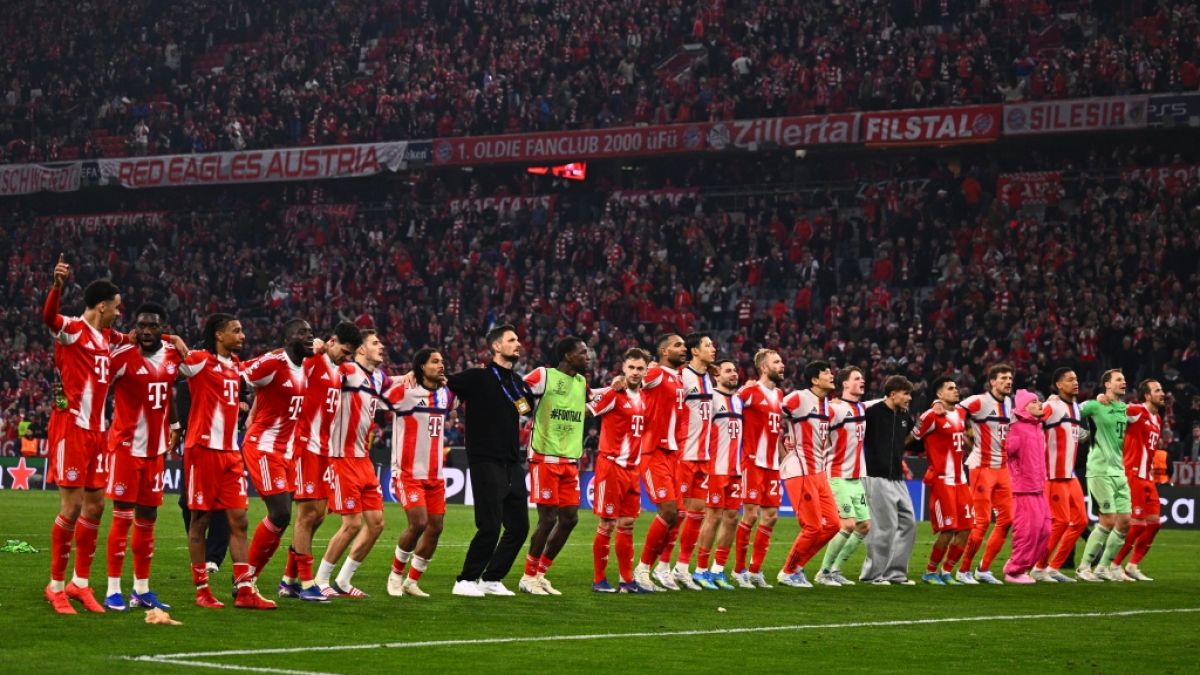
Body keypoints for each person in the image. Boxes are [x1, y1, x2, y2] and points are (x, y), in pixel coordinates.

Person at [42, 254, 128, 614]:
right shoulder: (73, 329)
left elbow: (136, 338)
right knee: (72, 506)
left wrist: (171, 338)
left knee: (95, 505)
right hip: (71, 428)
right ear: (102, 306)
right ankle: (55, 586)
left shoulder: (108, 337)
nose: (119, 313)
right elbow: (49, 318)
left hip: (97, 432)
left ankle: (79, 582)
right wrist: (57, 287)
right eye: (117, 307)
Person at [179, 313, 276, 609]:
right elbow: (167, 353)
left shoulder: (236, 366)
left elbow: (263, 364)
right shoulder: (199, 361)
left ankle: (245, 590)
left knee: (239, 519)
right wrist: (172, 339)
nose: (242, 335)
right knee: (200, 520)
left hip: (230, 453)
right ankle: (202, 590)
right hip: (203, 451)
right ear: (219, 335)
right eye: (236, 330)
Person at [102, 303, 183, 612]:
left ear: (163, 329)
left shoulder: (173, 354)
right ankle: (113, 590)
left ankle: (141, 589)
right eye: (142, 326)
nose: (147, 331)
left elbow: (169, 391)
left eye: (153, 326)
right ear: (135, 329)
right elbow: (99, 384)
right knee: (122, 518)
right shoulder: (122, 357)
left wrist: (175, 424)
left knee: (148, 519)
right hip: (126, 449)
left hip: (155, 451)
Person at [279, 322, 362, 601]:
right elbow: (289, 357)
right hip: (305, 446)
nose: (346, 357)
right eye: (344, 351)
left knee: (319, 515)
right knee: (306, 515)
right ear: (332, 340)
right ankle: (306, 583)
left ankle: (289, 579)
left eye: (350, 354)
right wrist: (313, 347)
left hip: (324, 451)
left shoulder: (338, 370)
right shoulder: (312, 360)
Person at [446, 324, 532, 598]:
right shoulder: (477, 377)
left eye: (517, 339)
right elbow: (445, 383)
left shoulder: (516, 382)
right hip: (485, 459)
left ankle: (492, 578)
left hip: (512, 462)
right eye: (512, 340)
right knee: (490, 525)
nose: (518, 344)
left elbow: (526, 408)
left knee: (519, 527)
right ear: (496, 346)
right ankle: (465, 579)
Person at [241, 319, 315, 587]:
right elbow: (238, 374)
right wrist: (240, 403)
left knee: (286, 518)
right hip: (263, 447)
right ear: (287, 340)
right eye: (302, 333)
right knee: (281, 513)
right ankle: (245, 578)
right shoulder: (273, 362)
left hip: (286, 451)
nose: (309, 337)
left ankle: (251, 579)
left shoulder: (305, 367)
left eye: (311, 333)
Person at [316, 329, 389, 597]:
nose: (381, 346)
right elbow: (323, 370)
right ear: (360, 349)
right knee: (352, 524)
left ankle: (344, 581)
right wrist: (320, 349)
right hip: (341, 457)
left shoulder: (377, 378)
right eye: (375, 342)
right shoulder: (346, 370)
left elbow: (397, 382)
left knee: (377, 523)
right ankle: (320, 580)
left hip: (363, 460)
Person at [518, 337, 592, 596]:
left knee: (570, 519)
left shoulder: (581, 383)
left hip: (570, 461)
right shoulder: (544, 375)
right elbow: (516, 393)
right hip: (545, 458)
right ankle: (528, 577)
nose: (588, 357)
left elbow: (590, 405)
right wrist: (525, 411)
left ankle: (540, 573)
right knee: (547, 518)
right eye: (583, 352)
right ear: (568, 355)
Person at [384, 348, 457, 598]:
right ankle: (395, 576)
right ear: (421, 366)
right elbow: (377, 386)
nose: (441, 365)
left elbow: (461, 393)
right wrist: (402, 376)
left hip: (435, 475)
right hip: (408, 473)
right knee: (418, 523)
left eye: (442, 361)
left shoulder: (446, 394)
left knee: (436, 527)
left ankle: (412, 581)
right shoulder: (406, 392)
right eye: (435, 361)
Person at [589, 348, 650, 593]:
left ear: (646, 371)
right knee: (607, 523)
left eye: (640, 368)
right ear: (623, 368)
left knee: (627, 523)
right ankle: (599, 580)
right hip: (611, 466)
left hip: (633, 469)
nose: (635, 372)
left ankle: (627, 581)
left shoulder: (645, 396)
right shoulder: (613, 393)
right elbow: (588, 407)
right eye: (631, 367)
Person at [632, 334, 688, 592]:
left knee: (677, 514)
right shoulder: (656, 373)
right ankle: (642, 569)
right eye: (678, 345)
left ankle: (654, 568)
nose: (683, 348)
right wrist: (625, 381)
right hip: (653, 451)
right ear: (664, 351)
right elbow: (635, 380)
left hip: (672, 453)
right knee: (668, 511)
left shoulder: (678, 377)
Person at [777, 360, 840, 588]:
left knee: (833, 525)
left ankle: (798, 567)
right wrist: (781, 446)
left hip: (819, 472)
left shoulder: (827, 406)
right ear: (814, 379)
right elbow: (771, 415)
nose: (831, 375)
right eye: (826, 372)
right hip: (800, 470)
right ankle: (787, 572)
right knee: (812, 527)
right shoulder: (798, 398)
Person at [956, 364, 1015, 585]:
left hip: (1003, 469)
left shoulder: (1010, 403)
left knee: (1007, 520)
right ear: (992, 382)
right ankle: (963, 571)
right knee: (981, 522)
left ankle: (983, 569)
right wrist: (963, 436)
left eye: (1010, 378)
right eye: (1003, 378)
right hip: (982, 468)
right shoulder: (979, 401)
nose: (1008, 381)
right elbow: (954, 411)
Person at [732, 349, 786, 589]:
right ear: (764, 367)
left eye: (781, 361)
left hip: (772, 465)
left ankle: (755, 571)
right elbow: (729, 404)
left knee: (771, 516)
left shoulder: (780, 394)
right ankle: (738, 570)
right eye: (776, 362)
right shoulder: (749, 392)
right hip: (752, 462)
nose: (782, 365)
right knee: (751, 515)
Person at [912, 376, 972, 585]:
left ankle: (946, 571)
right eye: (950, 388)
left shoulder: (961, 413)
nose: (956, 390)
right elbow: (913, 437)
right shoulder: (931, 415)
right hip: (942, 481)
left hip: (961, 481)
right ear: (939, 394)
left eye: (956, 387)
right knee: (948, 530)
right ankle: (930, 572)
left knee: (966, 528)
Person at [670, 332, 717, 591]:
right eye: (708, 345)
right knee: (677, 514)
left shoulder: (708, 377)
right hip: (684, 455)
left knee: (698, 514)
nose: (713, 348)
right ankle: (661, 566)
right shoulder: (682, 376)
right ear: (695, 351)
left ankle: (682, 567)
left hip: (703, 457)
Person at [860, 376, 917, 585]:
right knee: (884, 528)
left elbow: (912, 442)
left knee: (908, 523)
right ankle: (872, 575)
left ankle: (896, 573)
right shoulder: (872, 412)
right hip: (876, 476)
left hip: (897, 478)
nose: (909, 398)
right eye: (906, 393)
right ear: (893, 394)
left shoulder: (903, 415)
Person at [1077, 369, 1133, 582]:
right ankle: (1084, 567)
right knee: (1108, 519)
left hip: (1119, 471)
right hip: (1099, 470)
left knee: (1125, 521)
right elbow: (1070, 412)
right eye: (1119, 379)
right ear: (1107, 384)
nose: (1123, 382)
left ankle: (1102, 568)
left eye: (1124, 379)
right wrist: (1081, 434)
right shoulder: (1095, 405)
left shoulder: (1123, 408)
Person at [816, 367, 870, 587]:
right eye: (856, 378)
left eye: (862, 378)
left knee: (864, 526)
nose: (862, 380)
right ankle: (823, 572)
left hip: (855, 478)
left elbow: (886, 400)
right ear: (845, 384)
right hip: (836, 475)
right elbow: (814, 421)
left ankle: (835, 570)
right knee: (847, 525)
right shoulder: (834, 408)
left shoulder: (863, 407)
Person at [1032, 368, 1087, 583]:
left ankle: (1054, 567)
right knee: (1061, 521)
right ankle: (1039, 567)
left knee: (1080, 522)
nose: (1075, 382)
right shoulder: (1051, 406)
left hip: (1069, 474)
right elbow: (1029, 422)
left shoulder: (1075, 408)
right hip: (1052, 474)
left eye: (1076, 379)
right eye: (1070, 379)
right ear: (1058, 385)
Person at [694, 358, 744, 590]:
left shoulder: (740, 400)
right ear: (717, 375)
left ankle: (718, 569)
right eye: (728, 371)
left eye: (735, 370)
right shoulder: (711, 398)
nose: (733, 374)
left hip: (735, 470)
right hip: (715, 469)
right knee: (712, 517)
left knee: (732, 518)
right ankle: (700, 569)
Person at [1111, 379, 1166, 581]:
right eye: (1157, 390)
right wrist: (1103, 398)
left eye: (1162, 390)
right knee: (1137, 525)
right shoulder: (1136, 411)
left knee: (1154, 523)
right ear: (1147, 396)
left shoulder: (1157, 418)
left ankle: (1132, 565)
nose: (1162, 393)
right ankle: (1114, 565)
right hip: (1132, 473)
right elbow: (1114, 409)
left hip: (1147, 477)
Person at [1001, 389, 1049, 584]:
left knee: (1045, 531)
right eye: (1034, 402)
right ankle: (1013, 571)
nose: (1040, 404)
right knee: (1027, 531)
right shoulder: (1017, 428)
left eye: (1039, 401)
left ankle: (1022, 567)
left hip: (1038, 488)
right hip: (1023, 489)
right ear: (1023, 408)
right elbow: (1005, 452)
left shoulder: (1037, 427)